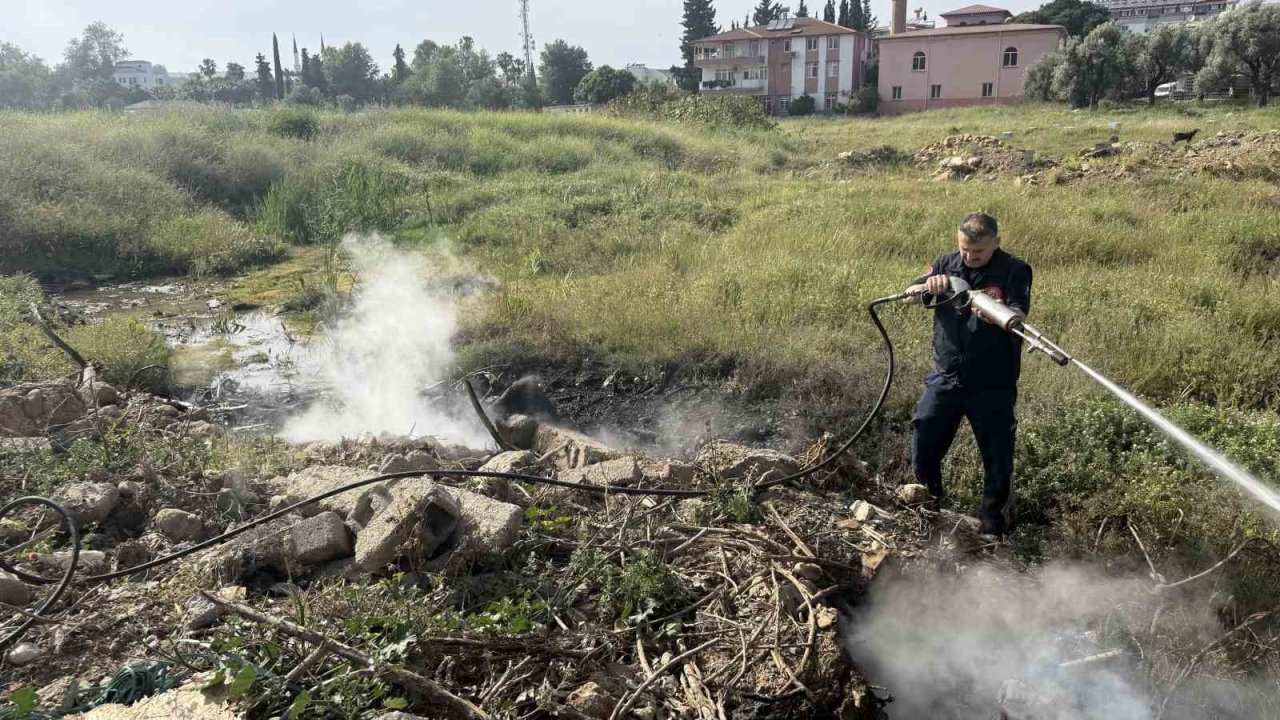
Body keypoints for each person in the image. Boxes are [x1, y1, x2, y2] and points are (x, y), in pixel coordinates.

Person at [901, 212, 1032, 536]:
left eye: (978, 253)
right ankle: (927, 509)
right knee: (925, 435)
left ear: (996, 244)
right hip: (946, 376)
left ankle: (992, 525)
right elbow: (910, 294)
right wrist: (925, 287)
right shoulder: (946, 263)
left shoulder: (1014, 270)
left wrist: (996, 313)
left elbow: (1018, 313)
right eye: (964, 250)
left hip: (992, 383)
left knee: (997, 456)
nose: (970, 258)